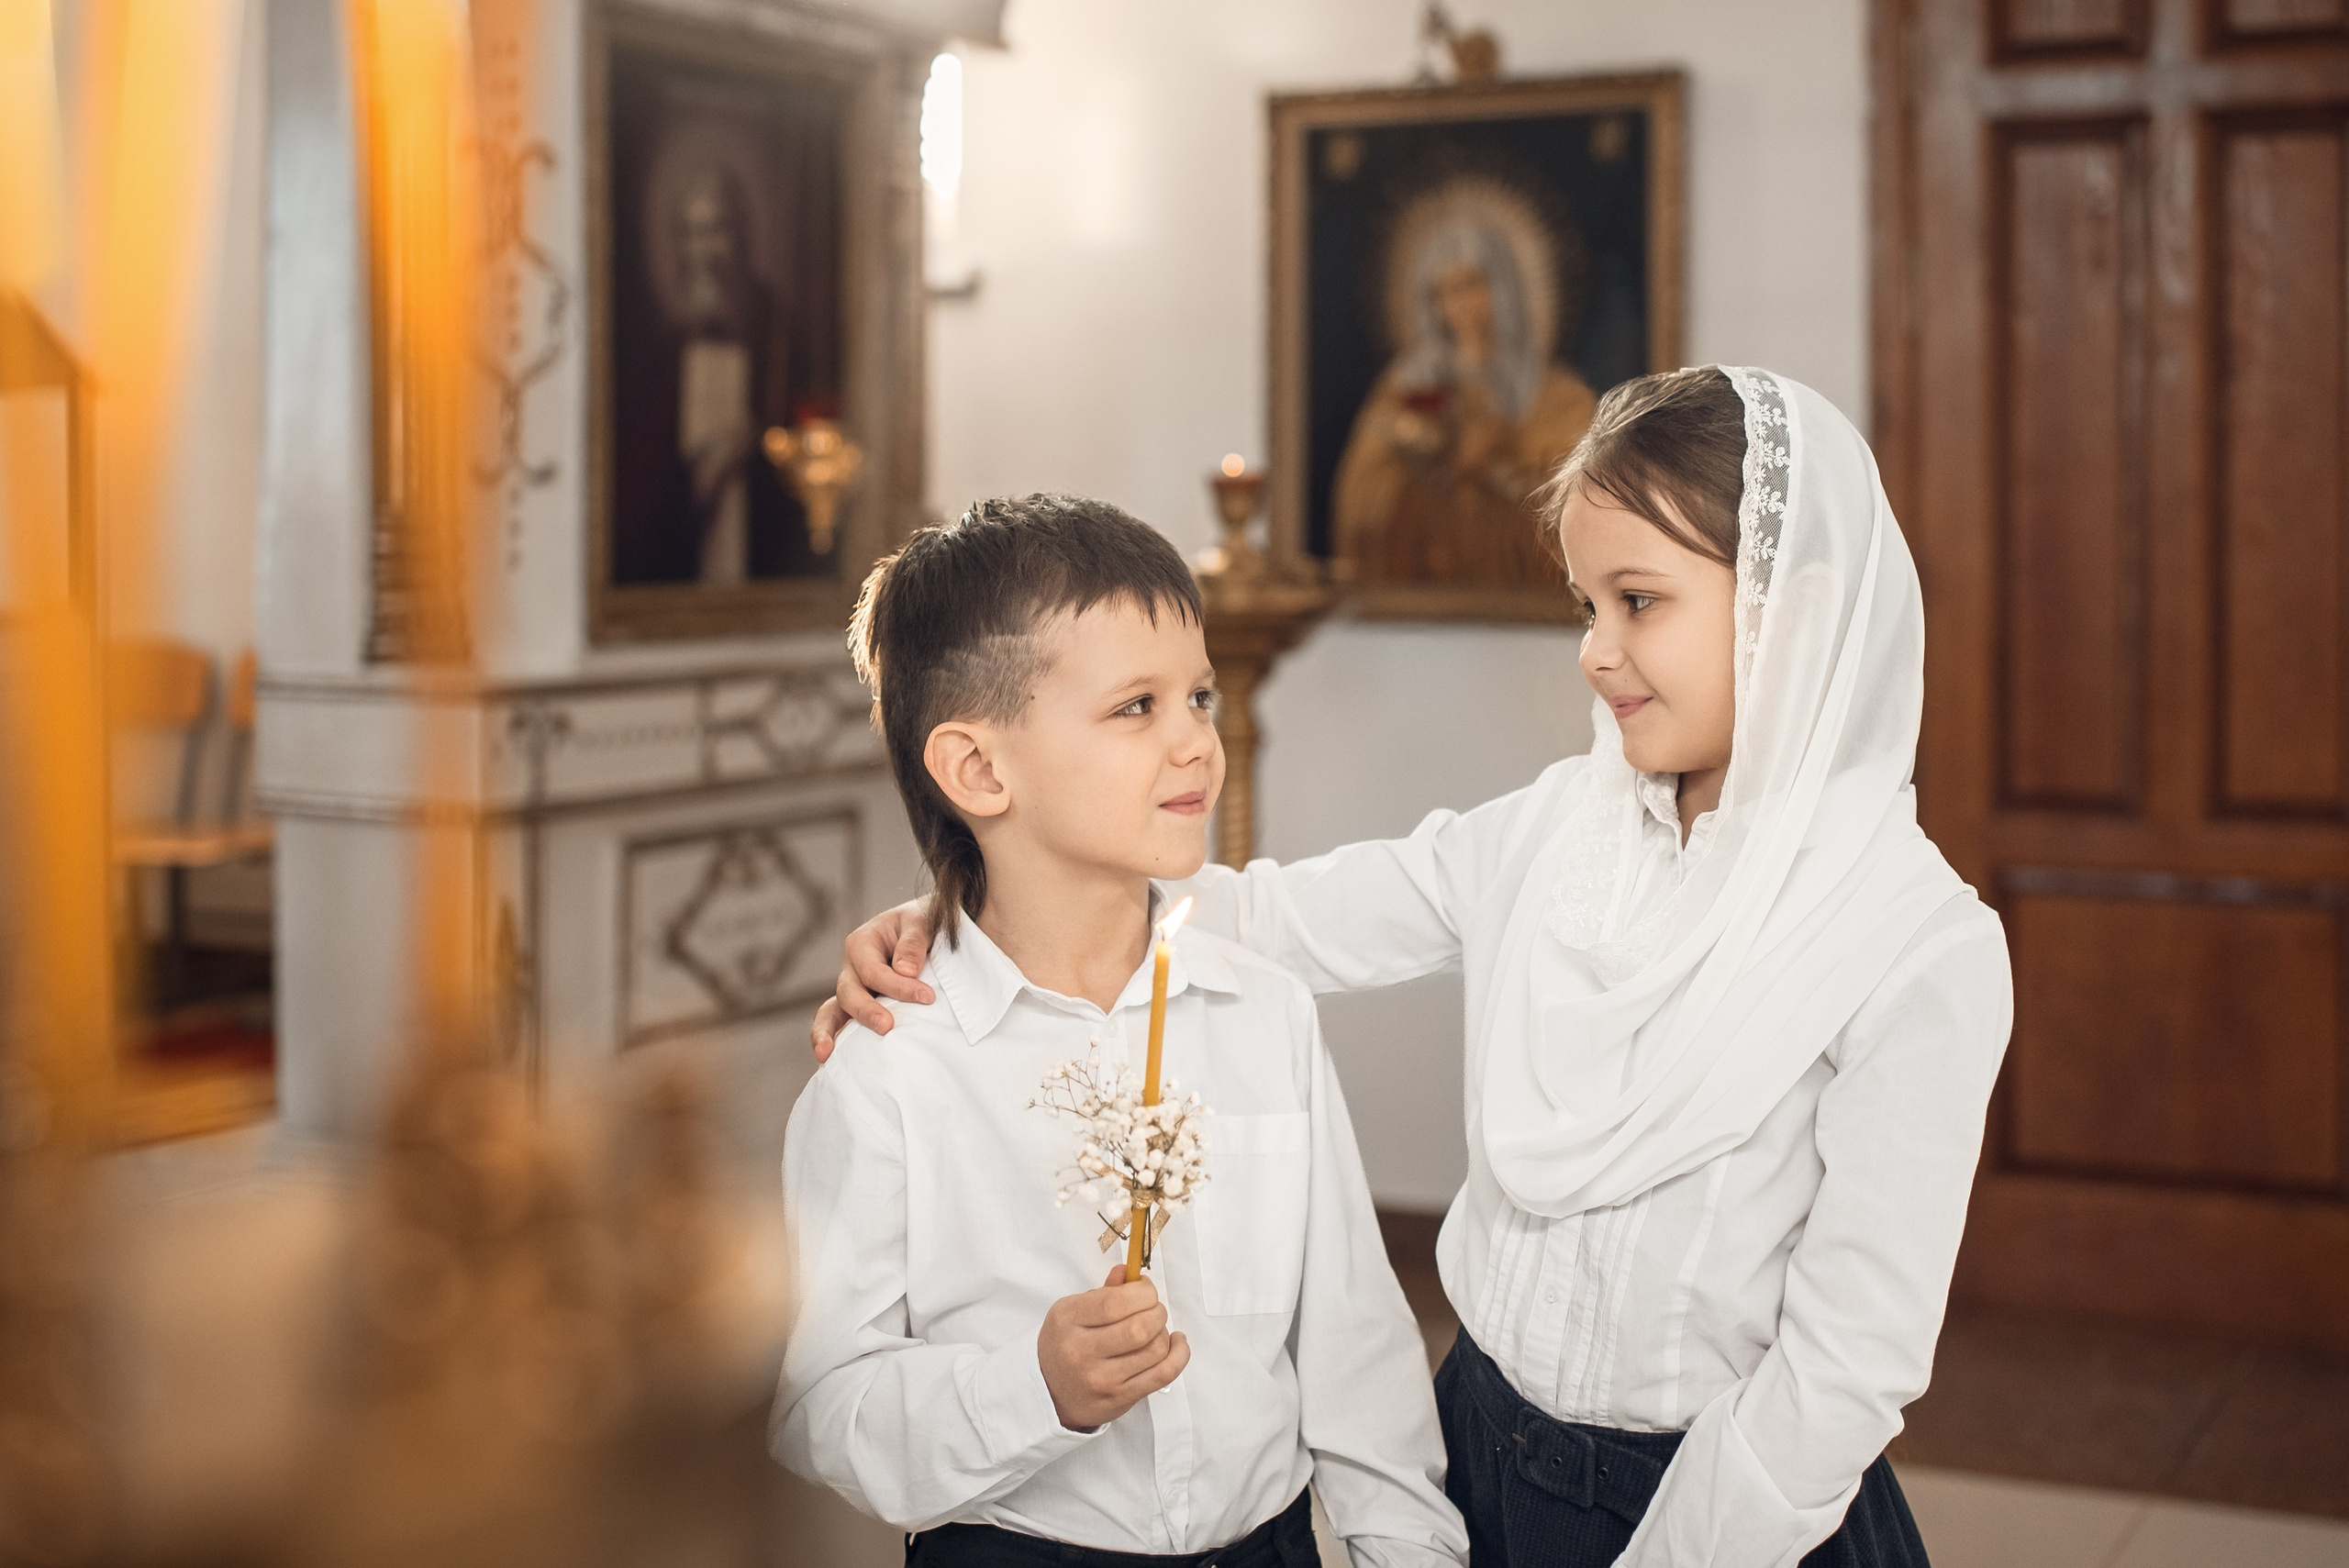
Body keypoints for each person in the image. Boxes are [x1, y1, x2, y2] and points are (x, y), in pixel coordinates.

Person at [813, 372, 2014, 1567]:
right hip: (1485, 1466)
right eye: (1585, 605)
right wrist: (961, 911)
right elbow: (1268, 918)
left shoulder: (1916, 949)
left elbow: (1844, 1368)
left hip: (1736, 1517)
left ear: (1790, 610)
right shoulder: (1550, 832)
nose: (1597, 653)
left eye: (1638, 600)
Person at [774, 495, 1469, 1568]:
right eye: (1136, 706)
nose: (1197, 737)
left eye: (1198, 693)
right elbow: (823, 1404)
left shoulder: (1262, 1012)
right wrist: (1032, 1387)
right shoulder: (893, 1069)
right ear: (978, 770)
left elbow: (1354, 1342)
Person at [1331, 206, 1597, 589]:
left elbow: (1580, 503)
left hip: (1524, 609)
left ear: (1504, 288)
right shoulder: (1405, 388)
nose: (1458, 304)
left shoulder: (1559, 397)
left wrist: (1501, 461)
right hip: (1418, 596)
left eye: (1472, 284)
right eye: (1443, 291)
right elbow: (1360, 500)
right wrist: (1442, 463)